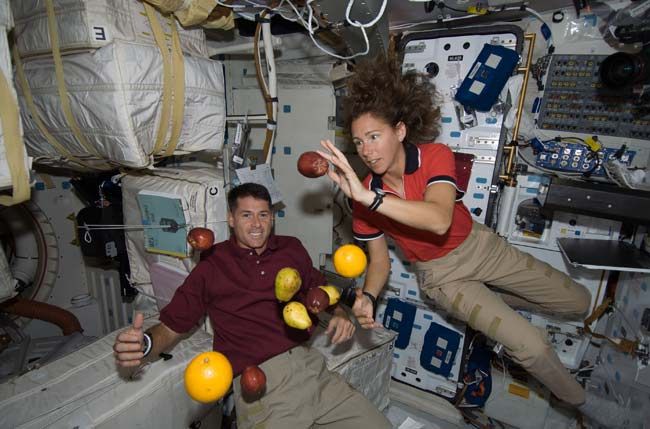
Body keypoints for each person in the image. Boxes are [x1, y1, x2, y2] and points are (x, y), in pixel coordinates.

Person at [317, 54, 627, 428]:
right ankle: (583, 402)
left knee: (578, 302)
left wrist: (371, 198)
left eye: (373, 136)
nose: (365, 150)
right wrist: (367, 295)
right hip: (443, 277)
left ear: (399, 130)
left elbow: (439, 218)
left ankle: (498, 306)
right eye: (358, 142)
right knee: (531, 346)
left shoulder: (433, 156)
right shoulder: (365, 196)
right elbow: (379, 260)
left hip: (481, 248)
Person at [113, 183, 391, 429]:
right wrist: (145, 345)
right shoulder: (212, 265)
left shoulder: (291, 248)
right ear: (231, 219)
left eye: (263, 215)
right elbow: (174, 325)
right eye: (247, 215)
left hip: (313, 370)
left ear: (272, 217)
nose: (257, 224)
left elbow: (320, 291)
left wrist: (341, 313)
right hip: (263, 386)